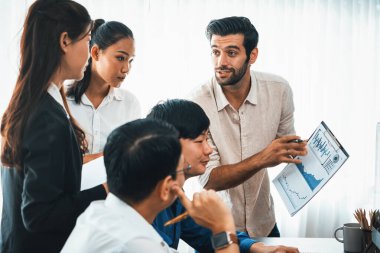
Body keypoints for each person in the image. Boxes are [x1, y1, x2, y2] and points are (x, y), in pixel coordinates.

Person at [0, 1, 108, 252]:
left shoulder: (37, 103)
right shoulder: (44, 117)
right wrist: (104, 190)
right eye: (87, 39)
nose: (90, 49)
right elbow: (39, 214)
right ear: (64, 41)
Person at [190, 16, 308, 237]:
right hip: (215, 230)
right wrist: (264, 157)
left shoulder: (279, 90)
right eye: (215, 52)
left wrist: (304, 151)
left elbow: (284, 147)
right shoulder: (197, 102)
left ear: (252, 55)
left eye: (231, 53)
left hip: (263, 223)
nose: (220, 62)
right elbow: (209, 179)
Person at [61, 119, 240, 253]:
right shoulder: (135, 242)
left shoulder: (98, 213)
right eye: (182, 169)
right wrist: (223, 226)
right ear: (166, 188)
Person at [147, 99, 299, 253]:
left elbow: (208, 236)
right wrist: (222, 224)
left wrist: (255, 247)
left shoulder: (175, 198)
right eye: (200, 140)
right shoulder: (146, 209)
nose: (208, 150)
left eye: (207, 139)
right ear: (170, 146)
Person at [66, 19, 141, 163]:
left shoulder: (130, 103)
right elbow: (57, 161)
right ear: (95, 53)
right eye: (120, 58)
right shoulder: (62, 101)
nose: (126, 69)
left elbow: (133, 159)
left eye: (130, 61)